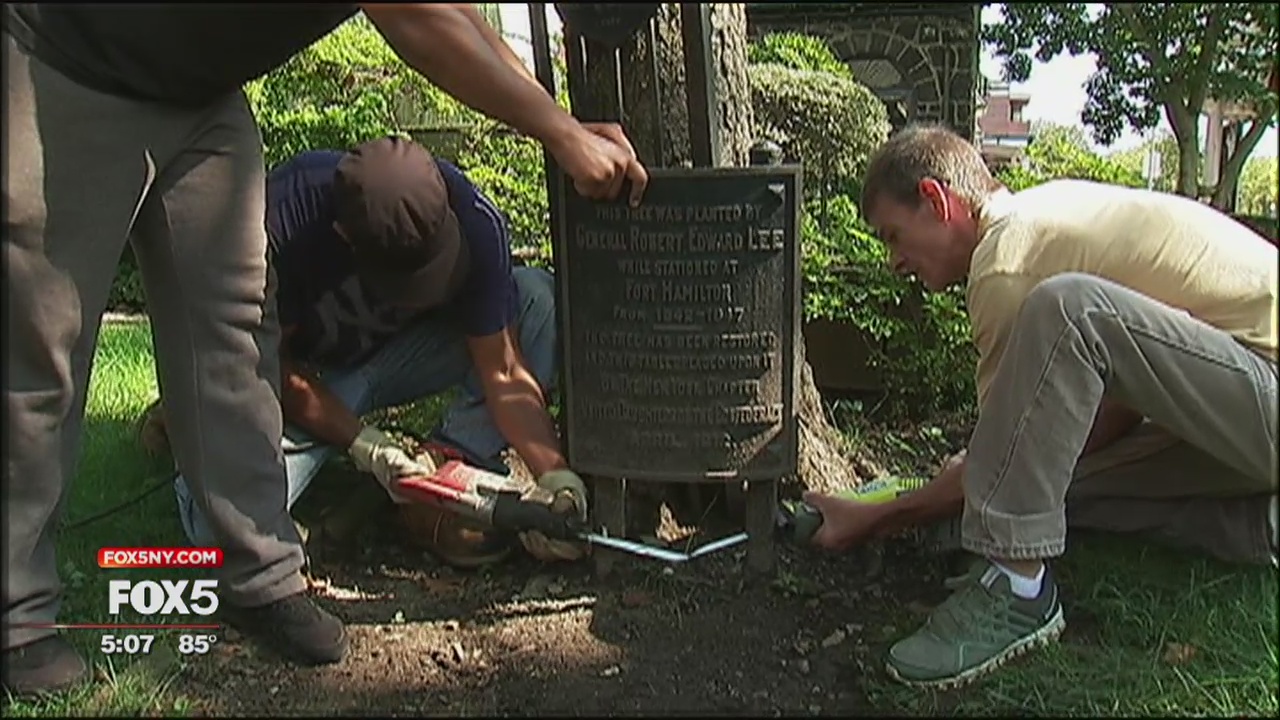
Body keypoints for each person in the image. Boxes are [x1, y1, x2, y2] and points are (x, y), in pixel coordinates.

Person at [3, 3, 647, 699]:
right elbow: (418, 20)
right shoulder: (303, 206)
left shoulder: (472, 228)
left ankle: (260, 579)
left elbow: (458, 11)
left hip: (199, 93)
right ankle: (16, 623)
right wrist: (557, 134)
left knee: (233, 334)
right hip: (68, 64)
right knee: (42, 347)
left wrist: (561, 122)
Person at [804, 124, 1278, 690]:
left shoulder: (1007, 260)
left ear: (936, 200)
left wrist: (881, 516)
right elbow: (1071, 440)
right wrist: (959, 487)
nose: (894, 262)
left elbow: (999, 466)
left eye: (893, 236)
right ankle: (1262, 526)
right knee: (1050, 492)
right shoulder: (1042, 215)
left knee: (1070, 310)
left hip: (1264, 389)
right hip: (1245, 417)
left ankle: (1017, 584)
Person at [151, 136, 586, 568]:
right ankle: (181, 416)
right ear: (344, 235)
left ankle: (436, 487)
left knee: (535, 301)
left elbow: (505, 371)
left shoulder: (474, 218)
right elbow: (264, 363)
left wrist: (556, 475)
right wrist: (364, 444)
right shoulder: (278, 220)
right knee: (216, 532)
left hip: (403, 355)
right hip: (304, 377)